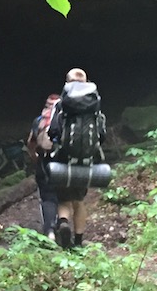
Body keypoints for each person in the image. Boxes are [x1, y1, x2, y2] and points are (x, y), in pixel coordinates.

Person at [47, 68, 105, 249]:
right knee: (79, 201)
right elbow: (101, 133)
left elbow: (53, 131)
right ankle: (79, 242)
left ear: (67, 82)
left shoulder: (61, 104)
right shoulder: (94, 103)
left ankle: (63, 222)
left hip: (64, 158)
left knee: (64, 199)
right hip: (86, 159)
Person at [25, 93, 61, 238]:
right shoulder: (66, 120)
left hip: (45, 161)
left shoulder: (39, 120)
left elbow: (30, 142)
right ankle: (61, 222)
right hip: (64, 162)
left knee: (47, 197)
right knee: (63, 195)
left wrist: (34, 157)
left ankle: (49, 231)